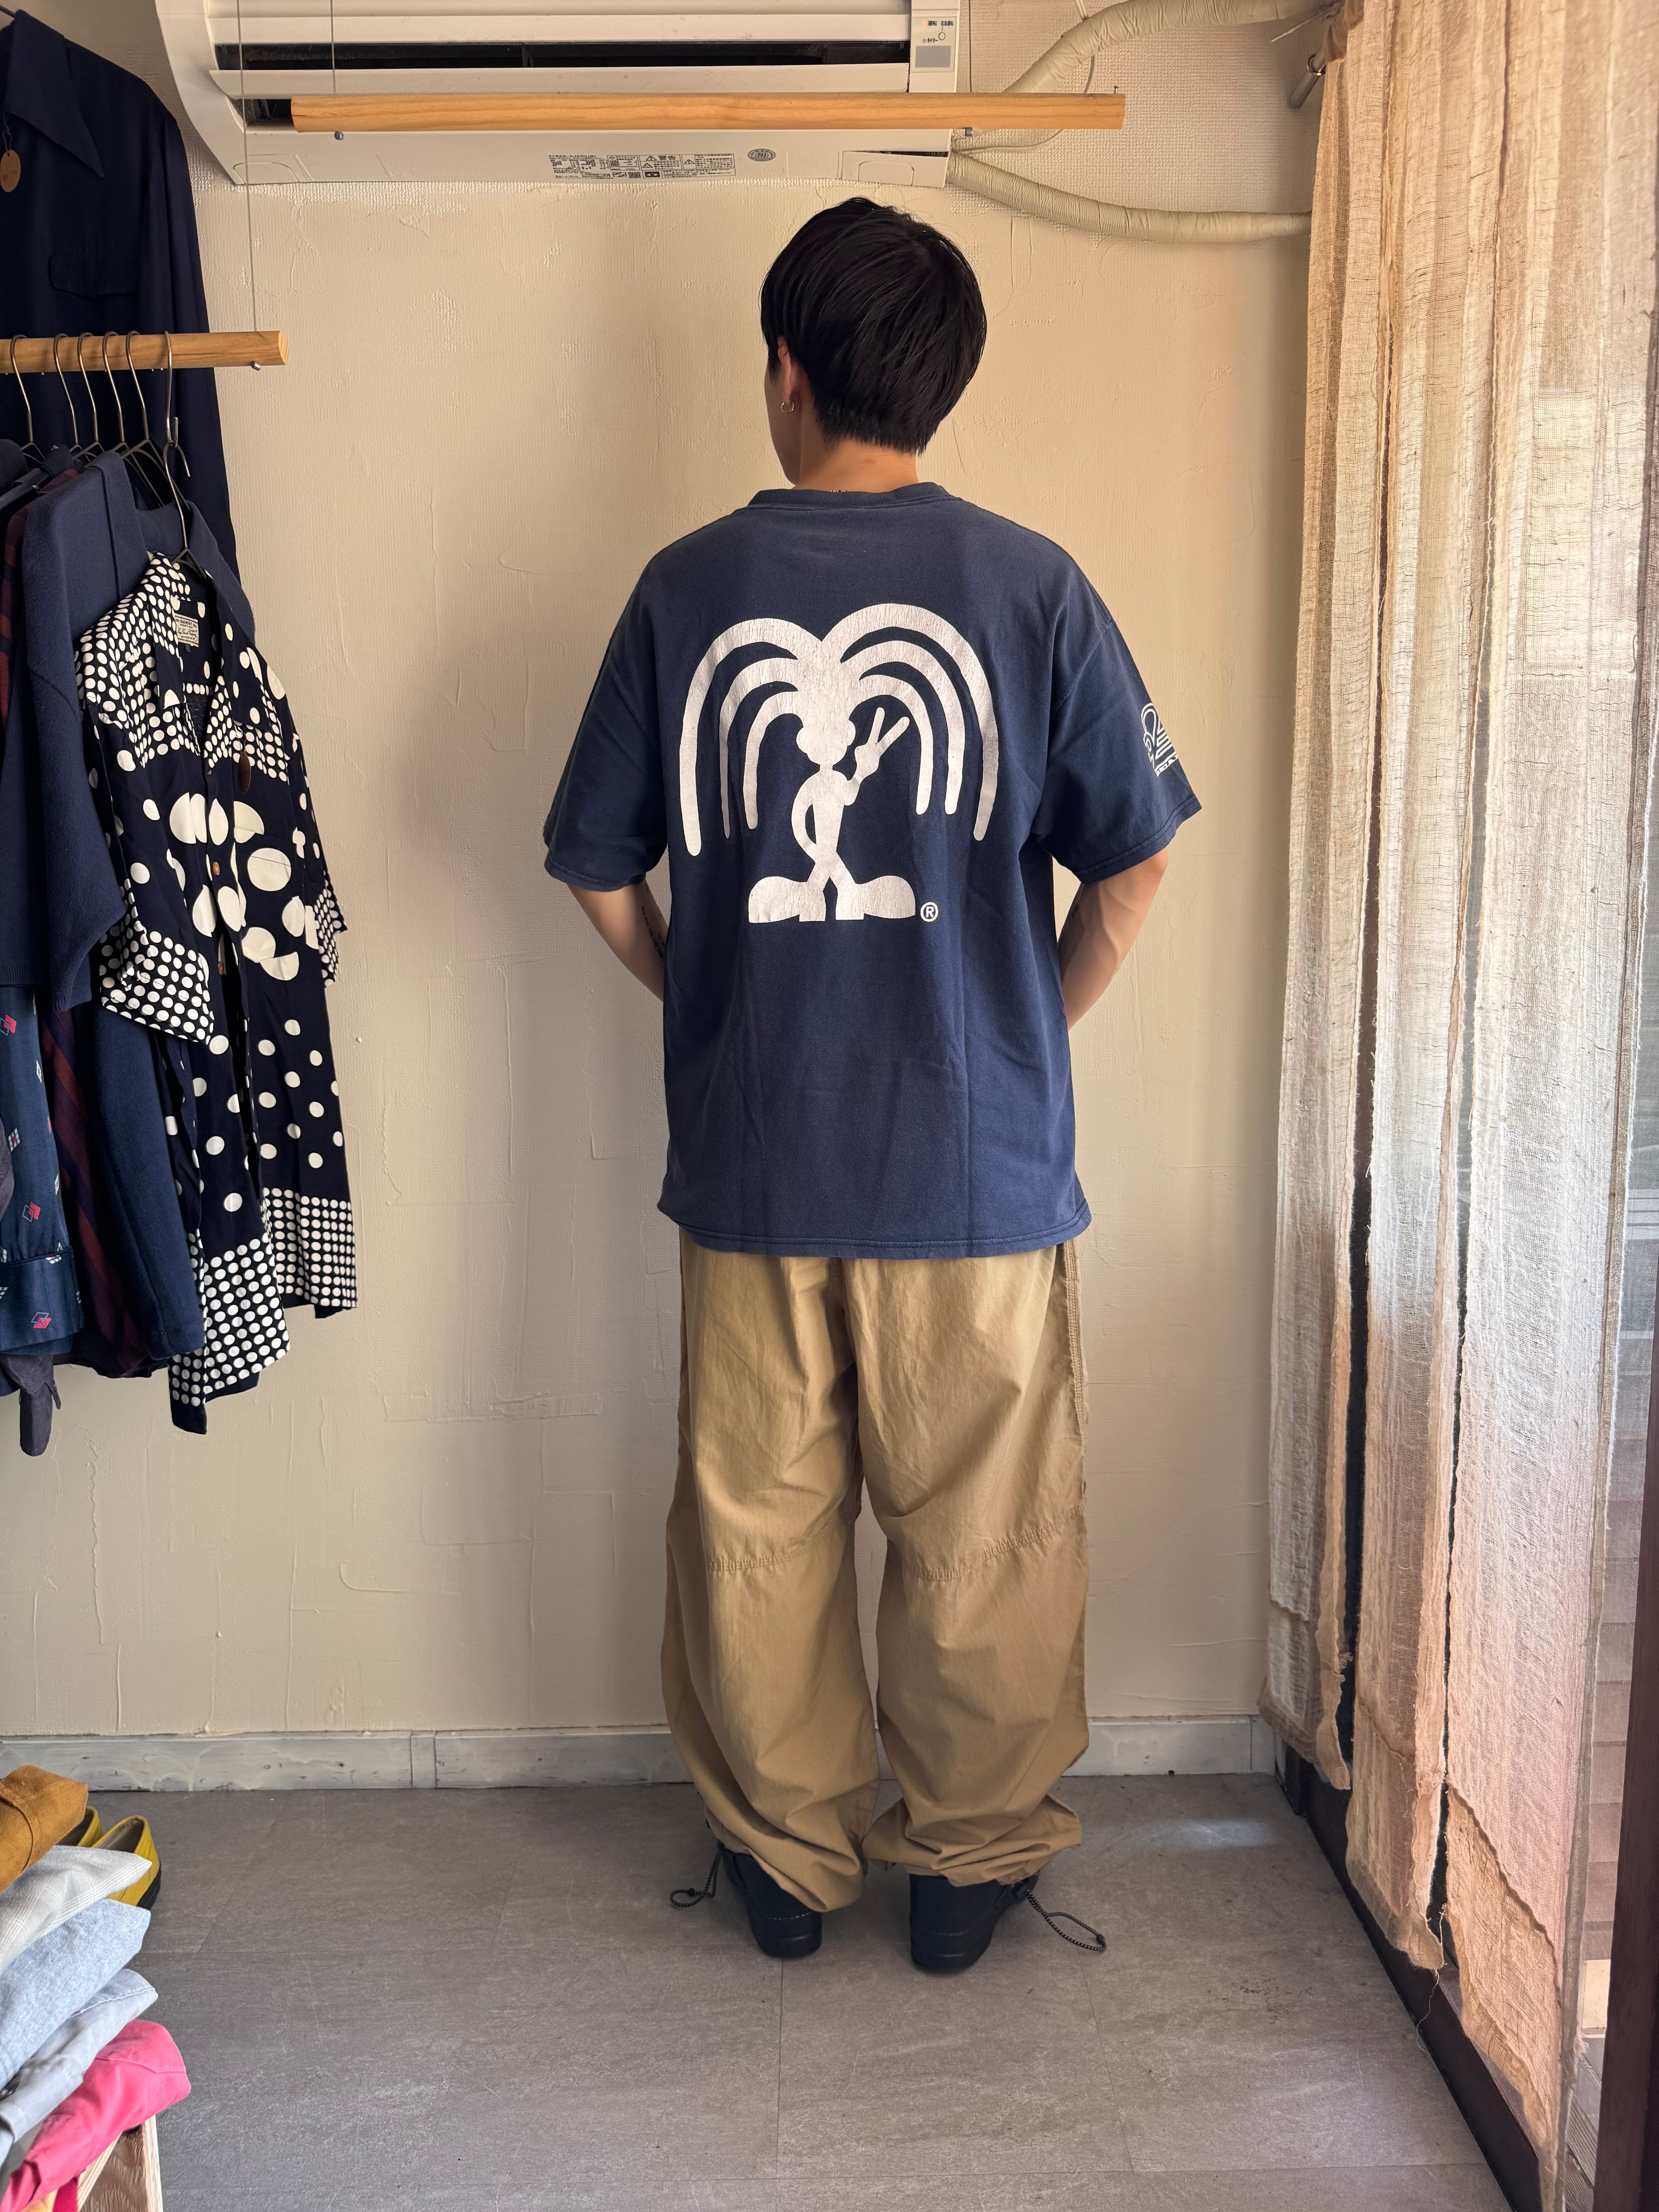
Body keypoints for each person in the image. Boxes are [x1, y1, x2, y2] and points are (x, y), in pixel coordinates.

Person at [542, 198, 1199, 1975]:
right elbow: (1137, 861)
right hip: (979, 1170)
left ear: (787, 372)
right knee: (988, 1535)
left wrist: (703, 995)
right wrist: (1031, 1025)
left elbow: (595, 865)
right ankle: (967, 1868)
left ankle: (785, 1860)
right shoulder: (1034, 585)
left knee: (760, 1527)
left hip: (757, 1160)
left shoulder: (687, 588)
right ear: (938, 385)